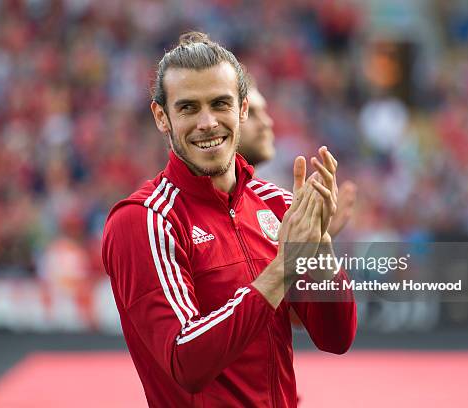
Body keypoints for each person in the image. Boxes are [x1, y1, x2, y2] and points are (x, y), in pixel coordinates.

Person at [102, 32, 356, 407]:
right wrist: (283, 267)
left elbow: (336, 338)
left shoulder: (279, 205)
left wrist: (319, 250)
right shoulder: (145, 221)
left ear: (241, 109)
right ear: (162, 117)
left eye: (220, 104)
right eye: (188, 108)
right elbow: (185, 360)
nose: (207, 122)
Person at [238, 75, 358, 239]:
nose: (266, 122)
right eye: (250, 113)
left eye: (263, 111)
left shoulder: (275, 201)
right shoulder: (210, 211)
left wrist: (319, 238)